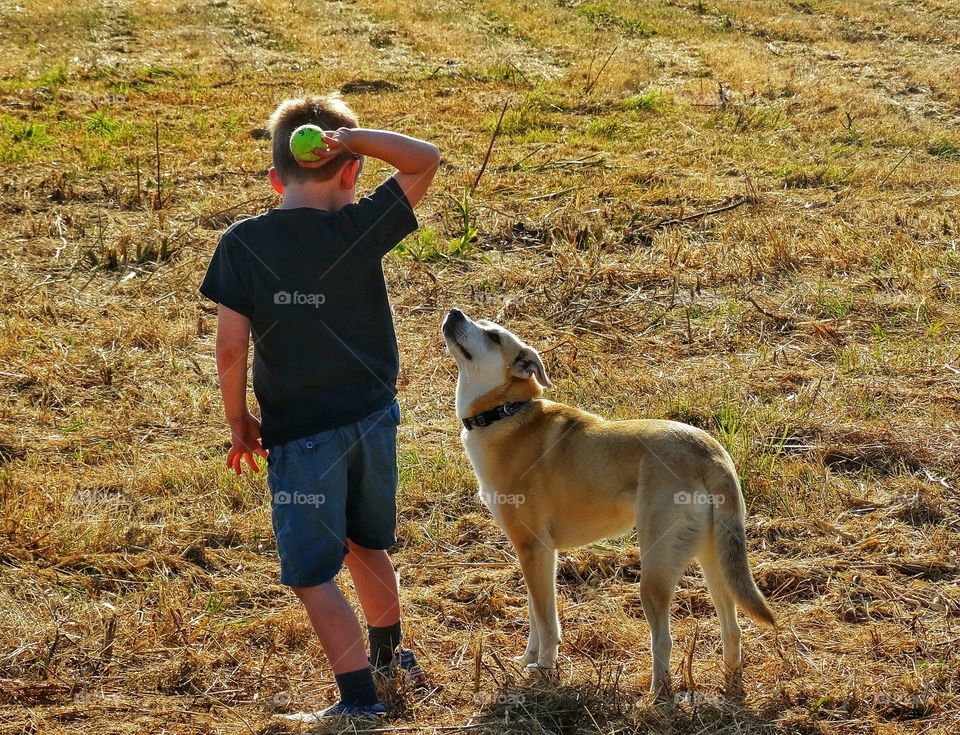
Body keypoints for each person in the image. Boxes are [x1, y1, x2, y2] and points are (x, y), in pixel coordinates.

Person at [199, 93, 439, 722]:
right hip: (373, 419)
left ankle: (359, 700)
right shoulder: (357, 227)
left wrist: (237, 421)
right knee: (365, 544)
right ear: (350, 172)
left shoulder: (243, 242)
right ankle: (392, 658)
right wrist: (355, 140)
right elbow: (424, 159)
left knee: (311, 572)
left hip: (303, 435)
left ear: (276, 177)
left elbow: (229, 347)